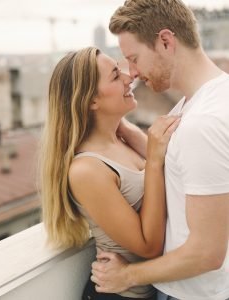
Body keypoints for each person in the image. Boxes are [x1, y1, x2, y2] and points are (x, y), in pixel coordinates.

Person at [91, 1, 229, 300]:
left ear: (165, 41)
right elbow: (180, 165)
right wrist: (118, 125)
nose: (134, 73)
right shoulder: (209, 99)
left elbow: (206, 252)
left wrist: (126, 275)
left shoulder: (201, 124)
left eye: (134, 58)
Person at [40, 46, 180, 299]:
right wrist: (155, 160)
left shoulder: (121, 140)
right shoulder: (87, 170)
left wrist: (133, 134)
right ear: (91, 100)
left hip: (159, 290)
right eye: (116, 76)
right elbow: (148, 246)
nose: (130, 77)